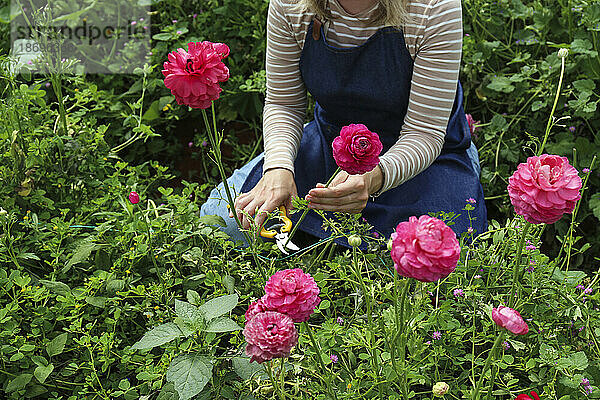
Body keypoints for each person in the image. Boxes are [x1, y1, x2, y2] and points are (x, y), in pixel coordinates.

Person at [200, 0, 487, 246]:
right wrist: (278, 168)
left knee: (428, 256)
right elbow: (284, 104)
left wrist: (375, 176)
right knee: (225, 224)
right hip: (332, 145)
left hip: (424, 161)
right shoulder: (292, 5)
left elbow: (424, 133)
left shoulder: (433, 7)